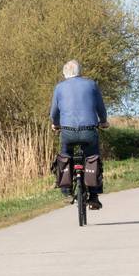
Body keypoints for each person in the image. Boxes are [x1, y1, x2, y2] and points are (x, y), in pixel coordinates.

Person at [50, 59, 108, 210]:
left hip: (67, 131)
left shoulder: (59, 88)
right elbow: (101, 108)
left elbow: (54, 112)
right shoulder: (91, 84)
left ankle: (66, 190)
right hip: (89, 130)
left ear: (64, 73)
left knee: (65, 155)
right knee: (92, 157)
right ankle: (94, 196)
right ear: (79, 71)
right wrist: (103, 121)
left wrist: (56, 124)